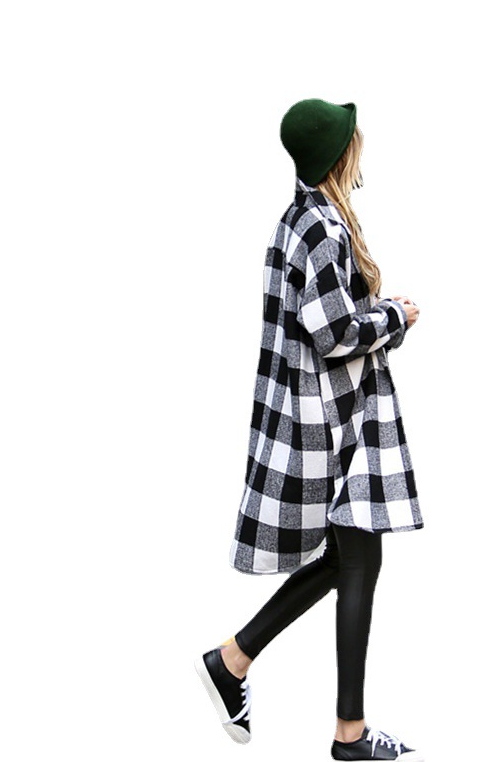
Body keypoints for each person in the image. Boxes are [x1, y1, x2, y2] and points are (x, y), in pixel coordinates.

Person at [195, 98, 425, 761]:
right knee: (358, 558)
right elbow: (333, 333)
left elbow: (317, 322)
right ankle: (346, 734)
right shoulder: (321, 226)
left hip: (320, 415)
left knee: (351, 558)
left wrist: (377, 313)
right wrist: (396, 317)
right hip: (333, 421)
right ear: (337, 155)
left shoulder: (298, 218)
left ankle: (234, 661)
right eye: (354, 143)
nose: (360, 150)